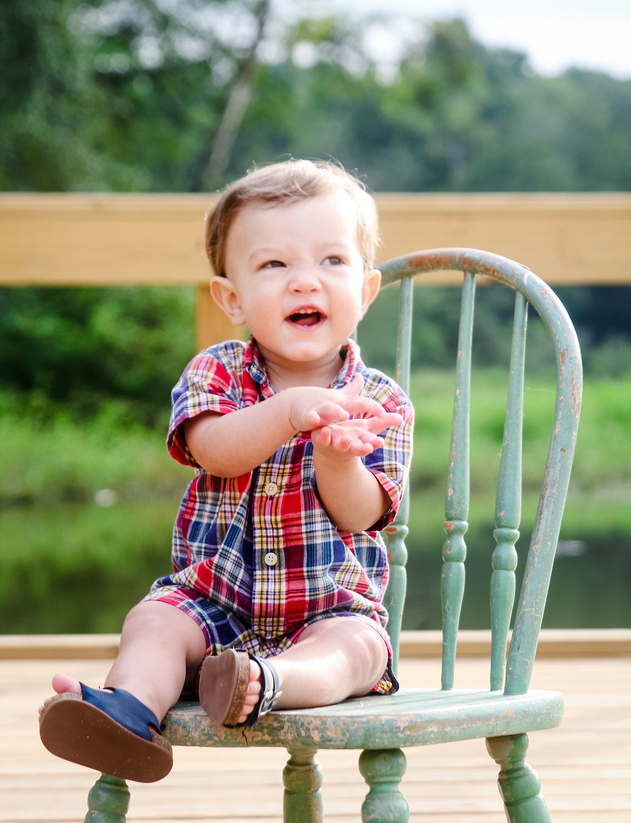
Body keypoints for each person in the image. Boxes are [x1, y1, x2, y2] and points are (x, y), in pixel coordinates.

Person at [39, 158, 414, 784]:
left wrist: (335, 456)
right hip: (212, 601)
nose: (305, 283)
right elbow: (214, 447)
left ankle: (264, 682)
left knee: (354, 652)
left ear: (366, 290)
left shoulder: (381, 400)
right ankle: (130, 710)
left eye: (331, 261)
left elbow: (362, 514)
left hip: (329, 608)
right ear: (232, 298)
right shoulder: (214, 373)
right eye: (275, 265)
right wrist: (290, 412)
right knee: (154, 620)